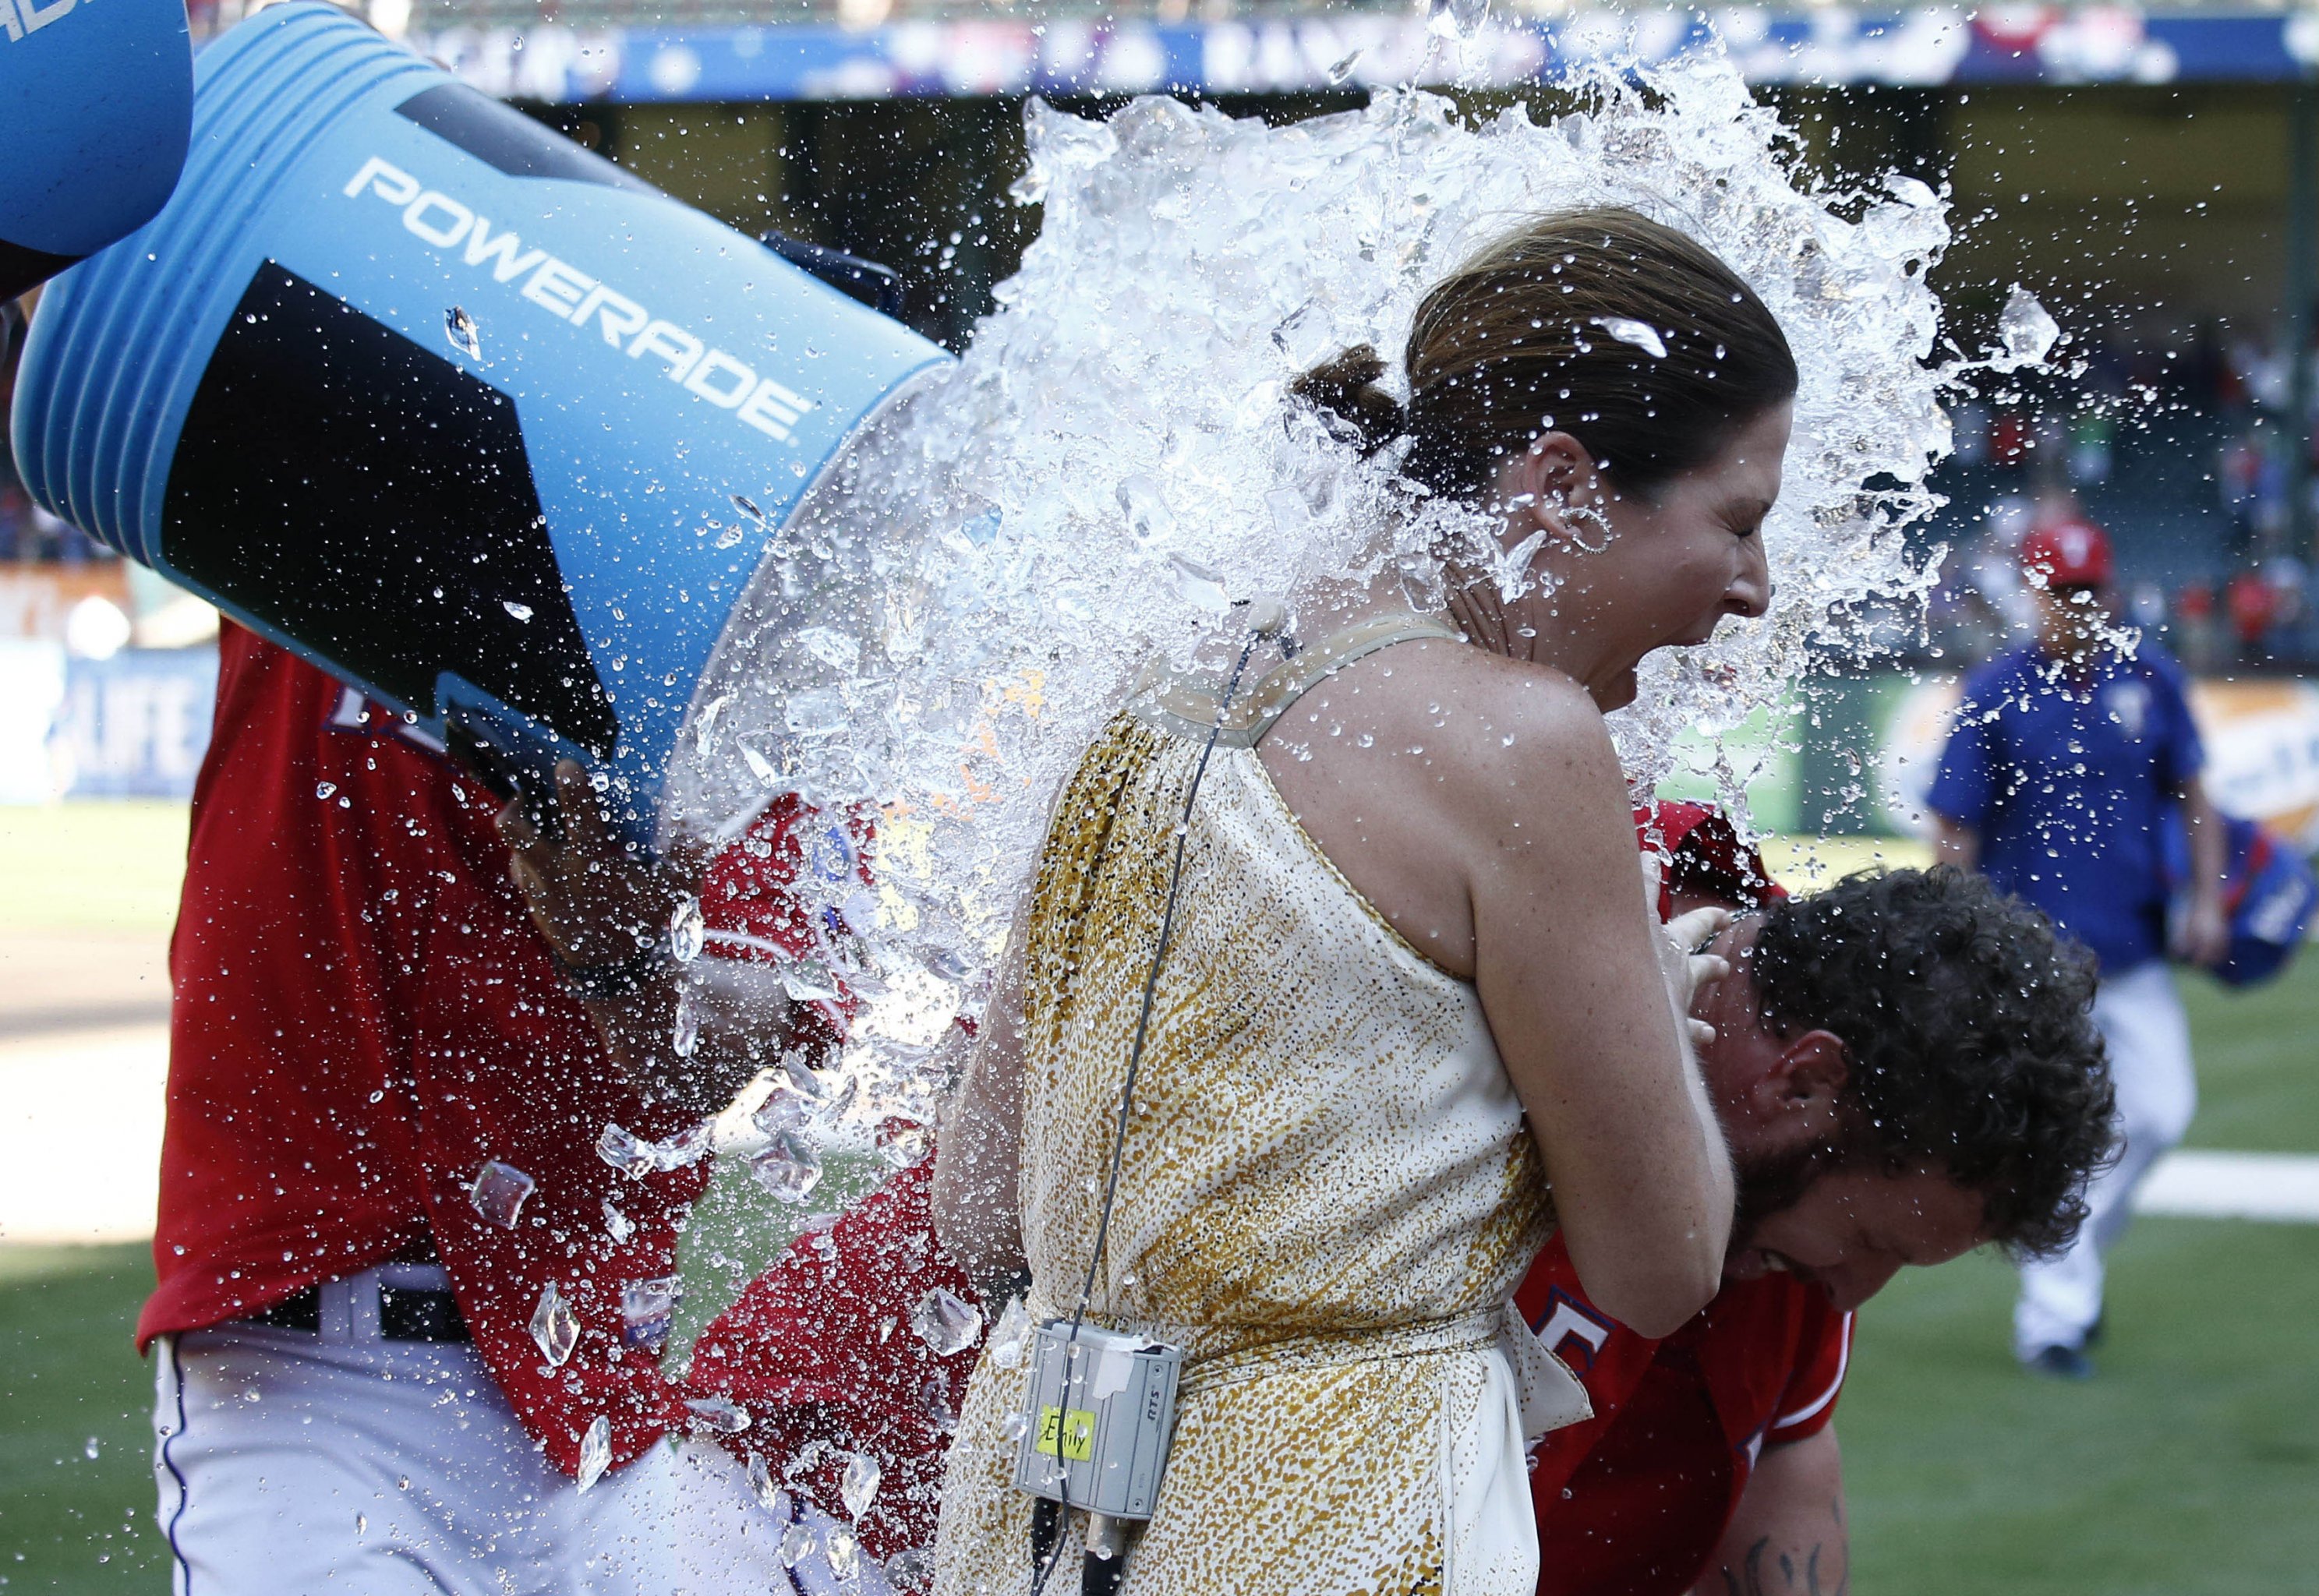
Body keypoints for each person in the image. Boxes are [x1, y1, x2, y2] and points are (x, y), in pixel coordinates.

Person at [928, 207, 1796, 1595]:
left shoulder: (1151, 683)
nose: (1757, 586)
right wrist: (1649, 976)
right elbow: (1664, 1265)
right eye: (1739, 520)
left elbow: (975, 1212)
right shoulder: (1524, 741)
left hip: (1027, 1506)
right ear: (1564, 484)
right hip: (1342, 1524)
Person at [671, 806, 2113, 1596]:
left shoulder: (1760, 1238)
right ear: (1800, 1077)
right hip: (843, 1492)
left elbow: (1788, 1478)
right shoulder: (1495, 925)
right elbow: (1107, 1285)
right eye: (1864, 1242)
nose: (1845, 1290)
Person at [144, 622, 850, 1594]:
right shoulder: (349, 486)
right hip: (309, 1390)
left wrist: (632, 966)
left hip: (599, 1390)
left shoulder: (716, 594)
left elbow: (735, 1030)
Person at [1927, 512, 2228, 1380]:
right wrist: (1957, 935)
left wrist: (2205, 898)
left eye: (2087, 585)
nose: (2075, 602)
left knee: (2162, 1110)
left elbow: (2195, 792)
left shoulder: (2148, 676)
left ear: (2111, 586)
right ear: (2030, 594)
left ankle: (2071, 1255)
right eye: (2058, 589)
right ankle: (2053, 1322)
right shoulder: (1992, 690)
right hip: (2031, 961)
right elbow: (1954, 825)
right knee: (2065, 1134)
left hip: (2129, 947)